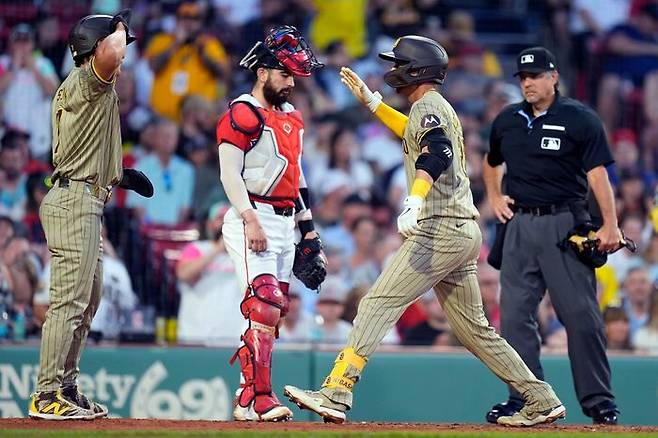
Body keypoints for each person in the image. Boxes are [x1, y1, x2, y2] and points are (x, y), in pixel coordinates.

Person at [284, 35, 565, 427]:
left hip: (440, 228)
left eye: (398, 62)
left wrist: (414, 199)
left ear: (414, 69)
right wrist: (374, 104)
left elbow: (438, 152)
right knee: (474, 331)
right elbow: (415, 132)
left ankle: (336, 392)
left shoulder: (429, 106)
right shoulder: (430, 106)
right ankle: (540, 398)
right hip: (462, 230)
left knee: (376, 302)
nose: (391, 68)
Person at [482, 46, 623, 425]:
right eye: (523, 77)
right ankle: (527, 398)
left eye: (535, 76)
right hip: (519, 226)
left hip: (563, 224)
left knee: (580, 315)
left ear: (553, 76)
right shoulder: (508, 120)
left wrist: (610, 224)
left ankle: (598, 401)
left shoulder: (580, 119)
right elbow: (491, 161)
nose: (528, 83)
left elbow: (598, 176)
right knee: (512, 318)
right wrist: (494, 195)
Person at [28, 10, 153, 420]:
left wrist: (118, 173)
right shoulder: (88, 80)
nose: (123, 46)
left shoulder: (87, 88)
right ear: (95, 46)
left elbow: (86, 141)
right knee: (70, 301)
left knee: (89, 299)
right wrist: (116, 29)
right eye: (116, 39)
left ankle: (65, 385)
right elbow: (113, 55)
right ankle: (46, 394)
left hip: (86, 197)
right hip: (74, 200)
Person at [216, 25, 324, 422]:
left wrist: (308, 229)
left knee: (273, 313)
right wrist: (249, 220)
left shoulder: (292, 117)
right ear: (262, 72)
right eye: (284, 73)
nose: (291, 82)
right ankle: (259, 397)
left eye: (293, 74)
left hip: (284, 221)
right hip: (253, 215)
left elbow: (296, 175)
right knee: (262, 303)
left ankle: (249, 397)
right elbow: (229, 174)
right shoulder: (242, 112)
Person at [176, 202, 245, 345]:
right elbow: (183, 273)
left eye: (230, 219)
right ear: (209, 223)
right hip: (196, 336)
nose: (225, 224)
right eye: (220, 218)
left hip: (233, 338)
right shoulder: (197, 248)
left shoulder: (245, 254)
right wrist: (218, 249)